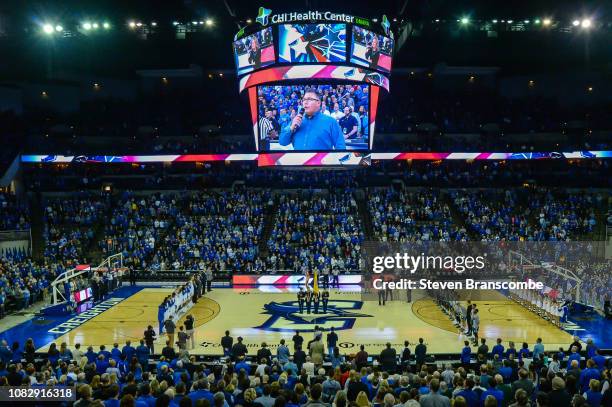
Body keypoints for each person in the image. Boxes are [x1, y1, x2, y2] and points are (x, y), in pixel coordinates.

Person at [279, 91, 346, 150]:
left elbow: (341, 147)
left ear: (318, 103)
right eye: (304, 99)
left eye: (309, 99)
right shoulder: (296, 121)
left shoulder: (331, 122)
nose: (305, 102)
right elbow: (282, 142)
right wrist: (291, 128)